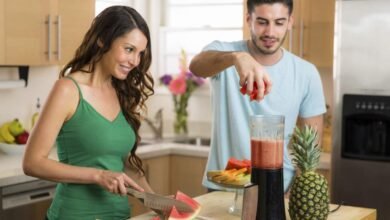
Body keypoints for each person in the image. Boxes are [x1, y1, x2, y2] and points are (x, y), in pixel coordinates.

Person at [23, 6, 155, 220]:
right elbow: (32, 162)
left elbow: (125, 166)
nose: (135, 61)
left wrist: (159, 203)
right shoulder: (67, 90)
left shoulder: (123, 92)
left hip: (118, 216)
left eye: (140, 53)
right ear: (102, 40)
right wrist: (98, 175)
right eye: (129, 49)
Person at [189, 0, 326, 192]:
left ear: (290, 22)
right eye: (262, 22)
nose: (270, 32)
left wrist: (294, 193)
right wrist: (237, 58)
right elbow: (196, 66)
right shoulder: (225, 54)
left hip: (279, 189)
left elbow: (312, 147)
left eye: (279, 22)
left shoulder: (306, 73)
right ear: (249, 20)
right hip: (224, 187)